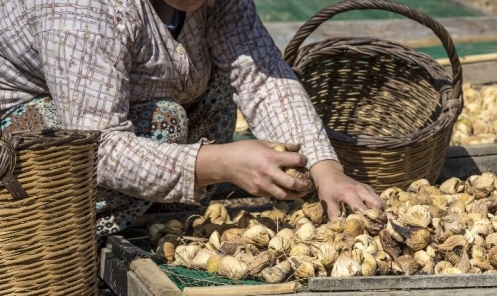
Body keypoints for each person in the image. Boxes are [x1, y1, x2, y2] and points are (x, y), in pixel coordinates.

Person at [0, 0, 384, 239]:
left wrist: (326, 170)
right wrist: (217, 162)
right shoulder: (81, 9)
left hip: (128, 107)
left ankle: (160, 220)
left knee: (219, 78)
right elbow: (98, 145)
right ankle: (81, 236)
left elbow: (262, 78)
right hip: (24, 140)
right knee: (164, 120)